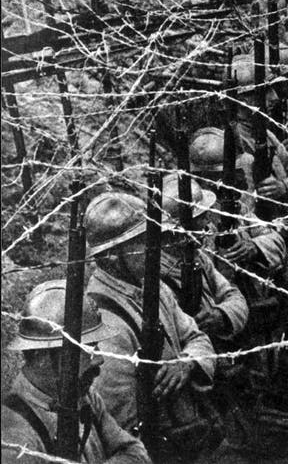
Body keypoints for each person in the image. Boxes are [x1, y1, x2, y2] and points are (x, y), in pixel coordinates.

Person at [85, 192, 220, 461]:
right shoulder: (102, 323)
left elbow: (197, 337)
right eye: (142, 243)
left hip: (188, 437)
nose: (154, 249)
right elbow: (122, 429)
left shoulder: (153, 287)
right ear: (111, 256)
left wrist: (187, 362)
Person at [2, 280, 150, 464]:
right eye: (86, 350)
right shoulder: (15, 439)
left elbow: (135, 452)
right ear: (42, 357)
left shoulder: (86, 397)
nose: (99, 359)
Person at [159, 173, 249, 344]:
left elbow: (233, 295)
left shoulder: (198, 257)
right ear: (176, 229)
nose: (207, 224)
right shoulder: (156, 273)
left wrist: (221, 314)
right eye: (200, 218)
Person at [188, 127, 287, 282]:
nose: (238, 178)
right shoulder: (186, 214)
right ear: (206, 177)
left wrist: (254, 247)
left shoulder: (236, 207)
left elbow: (275, 240)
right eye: (228, 173)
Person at [230, 54, 288, 206]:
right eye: (266, 92)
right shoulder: (232, 143)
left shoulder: (265, 134)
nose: (274, 97)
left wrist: (285, 187)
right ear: (244, 101)